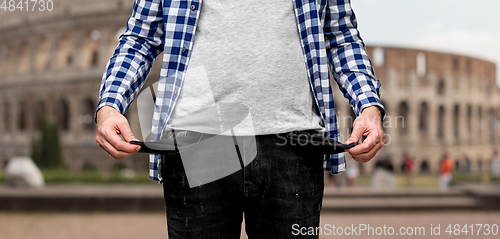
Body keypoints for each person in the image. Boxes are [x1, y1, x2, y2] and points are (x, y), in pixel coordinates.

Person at [95, 0, 385, 238]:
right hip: (200, 136)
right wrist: (110, 104)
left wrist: (369, 104)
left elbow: (340, 37)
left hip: (293, 138)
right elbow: (142, 38)